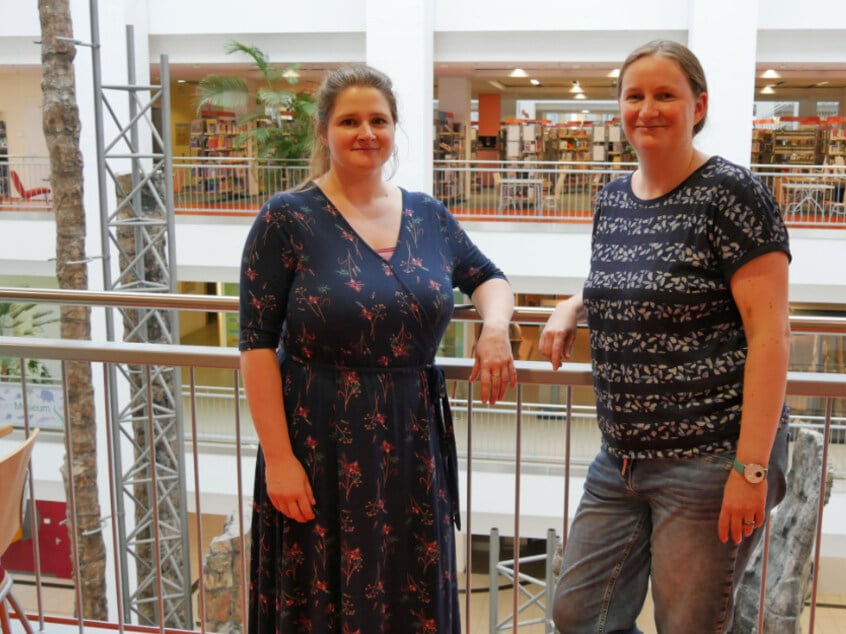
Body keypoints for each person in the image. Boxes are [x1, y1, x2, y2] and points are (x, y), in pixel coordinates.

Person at [238, 64, 517, 633]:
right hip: (318, 442)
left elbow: (487, 277)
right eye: (349, 121)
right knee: (320, 590)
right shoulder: (286, 217)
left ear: (394, 129)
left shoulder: (428, 216)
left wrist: (495, 327)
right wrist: (280, 460)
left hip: (411, 437)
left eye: (378, 120)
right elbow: (256, 346)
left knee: (406, 587)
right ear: (324, 132)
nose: (366, 132)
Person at [540, 40, 792, 633]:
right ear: (619, 108)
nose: (647, 109)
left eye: (665, 95)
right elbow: (632, 281)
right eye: (635, 96)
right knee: (580, 614)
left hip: (708, 458)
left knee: (688, 624)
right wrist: (574, 303)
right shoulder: (613, 199)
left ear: (697, 106)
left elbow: (771, 336)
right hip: (622, 457)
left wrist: (750, 469)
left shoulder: (731, 194)